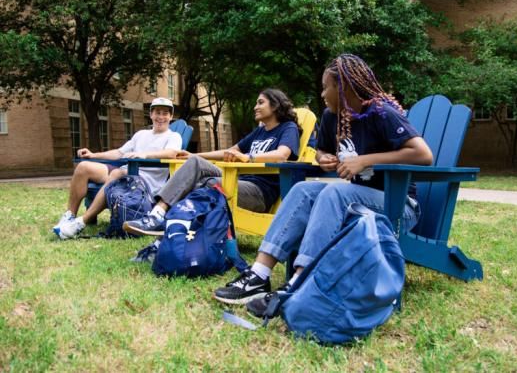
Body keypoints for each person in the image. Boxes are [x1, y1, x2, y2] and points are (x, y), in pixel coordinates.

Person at [213, 54, 433, 314]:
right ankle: (258, 275)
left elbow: (424, 155)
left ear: (344, 87)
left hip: (397, 206)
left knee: (334, 193)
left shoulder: (381, 113)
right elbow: (321, 150)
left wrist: (364, 161)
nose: (321, 93)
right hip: (354, 201)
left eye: (325, 86)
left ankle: (300, 283)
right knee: (303, 190)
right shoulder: (332, 117)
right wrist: (323, 157)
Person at [124, 88, 301, 261]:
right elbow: (230, 151)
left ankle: (163, 241)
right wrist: (195, 155)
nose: (255, 106)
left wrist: (248, 158)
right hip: (237, 180)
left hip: (258, 192)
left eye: (260, 102)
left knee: (206, 184)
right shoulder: (260, 132)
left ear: (276, 105)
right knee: (195, 165)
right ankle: (157, 214)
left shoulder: (288, 128)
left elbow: (282, 155)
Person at [54, 97, 182, 239]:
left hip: (145, 182)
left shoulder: (174, 136)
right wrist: (93, 154)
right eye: (157, 112)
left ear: (171, 117)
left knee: (117, 173)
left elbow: (172, 153)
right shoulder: (141, 135)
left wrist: (144, 154)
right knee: (83, 167)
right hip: (125, 172)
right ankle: (69, 216)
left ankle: (82, 221)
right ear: (151, 114)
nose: (161, 117)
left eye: (165, 113)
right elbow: (119, 153)